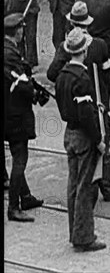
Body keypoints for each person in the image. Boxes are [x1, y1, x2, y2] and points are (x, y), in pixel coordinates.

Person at [46, 1, 110, 201]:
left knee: (83, 150)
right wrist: (104, 95)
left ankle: (84, 189)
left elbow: (52, 74)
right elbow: (108, 72)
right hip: (99, 101)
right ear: (87, 22)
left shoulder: (65, 48)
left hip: (77, 105)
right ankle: (107, 188)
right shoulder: (100, 45)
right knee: (103, 145)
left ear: (71, 22)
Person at [55, 28, 106, 252]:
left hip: (69, 132)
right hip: (84, 137)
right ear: (84, 50)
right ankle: (84, 236)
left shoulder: (62, 75)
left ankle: (74, 232)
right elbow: (85, 114)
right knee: (85, 187)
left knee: (73, 185)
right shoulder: (82, 78)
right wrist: (98, 140)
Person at [4, 13, 44, 222]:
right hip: (15, 115)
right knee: (20, 158)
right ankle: (13, 207)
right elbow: (21, 84)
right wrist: (35, 93)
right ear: (18, 31)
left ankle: (25, 196)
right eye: (22, 28)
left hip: (8, 113)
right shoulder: (10, 55)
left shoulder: (8, 51)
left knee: (18, 153)